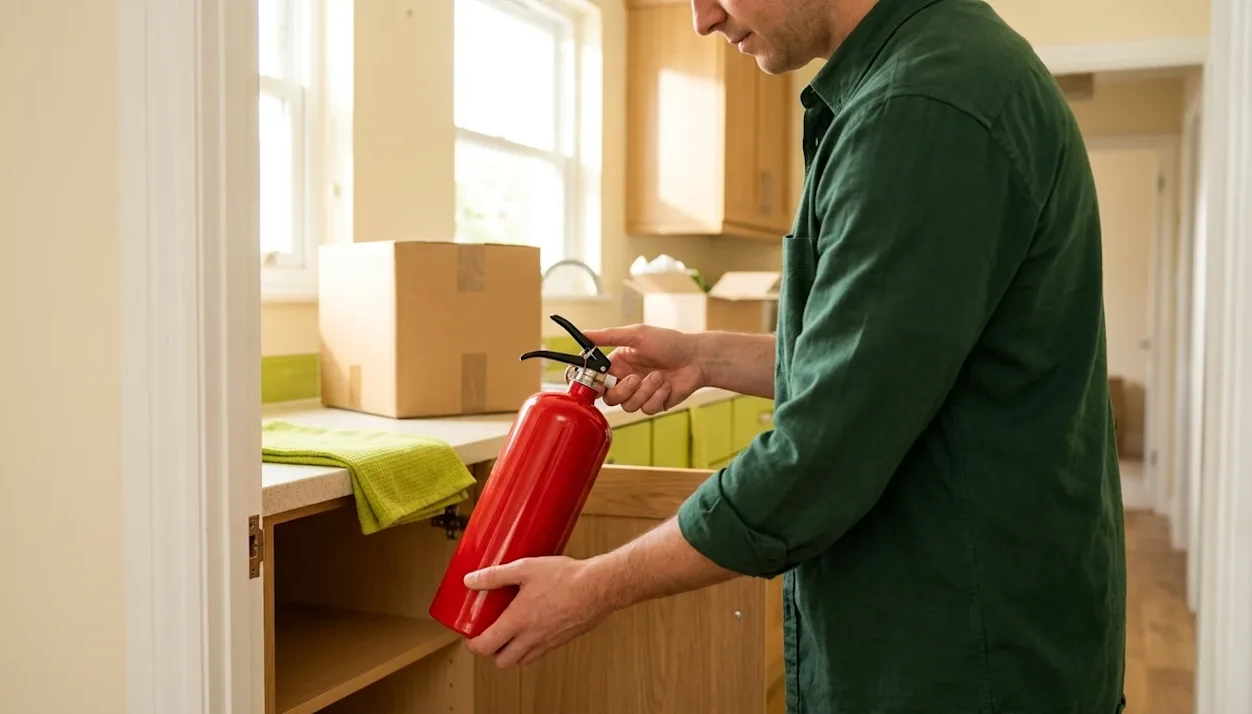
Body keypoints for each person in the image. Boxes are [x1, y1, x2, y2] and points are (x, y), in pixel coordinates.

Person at [462, 0, 1128, 711]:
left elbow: (821, 457)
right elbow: (883, 363)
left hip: (961, 659)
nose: (703, 19)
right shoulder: (941, 70)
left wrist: (593, 586)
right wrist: (703, 358)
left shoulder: (920, 108)